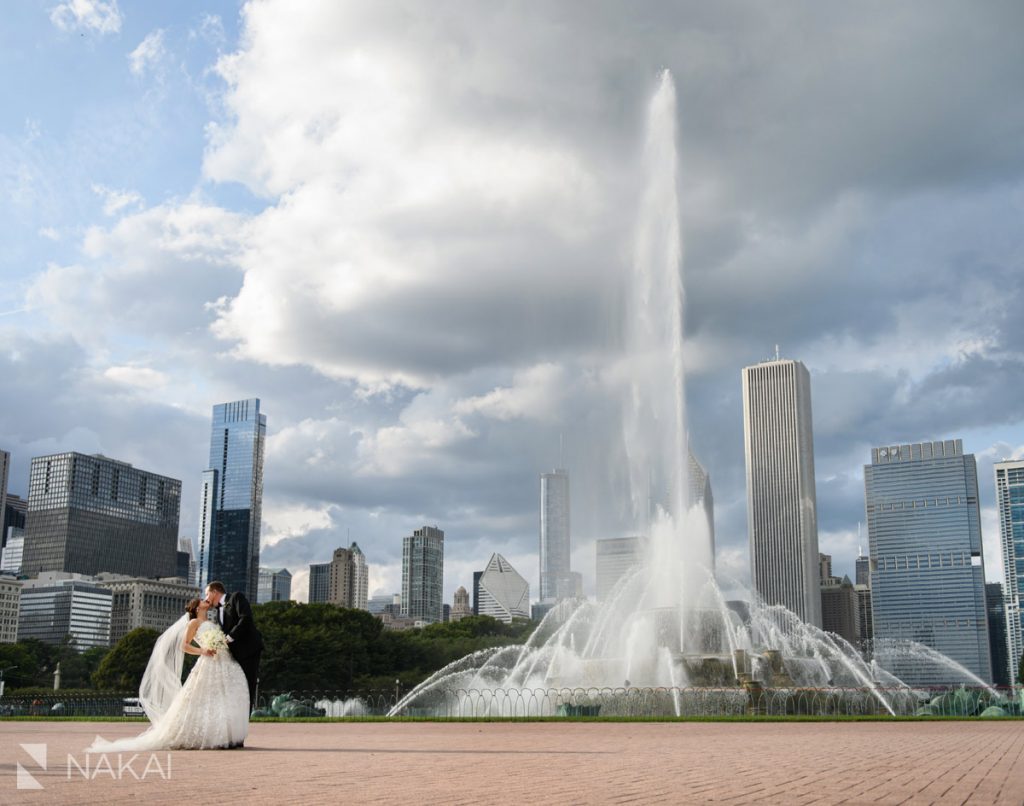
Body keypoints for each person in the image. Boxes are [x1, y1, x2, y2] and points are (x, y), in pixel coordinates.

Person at [85, 598, 250, 752]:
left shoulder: (212, 622)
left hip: (222, 661)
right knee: (201, 699)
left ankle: (224, 735)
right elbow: (183, 646)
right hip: (208, 661)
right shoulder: (194, 623)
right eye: (202, 599)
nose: (206, 600)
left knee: (219, 699)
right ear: (197, 607)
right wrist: (202, 650)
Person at [204, 580, 264, 712]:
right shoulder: (217, 610)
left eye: (207, 594)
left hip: (249, 651)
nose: (206, 598)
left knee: (247, 686)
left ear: (215, 592)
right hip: (234, 654)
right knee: (236, 687)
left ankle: (244, 723)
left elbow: (246, 618)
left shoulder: (236, 597)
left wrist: (229, 638)